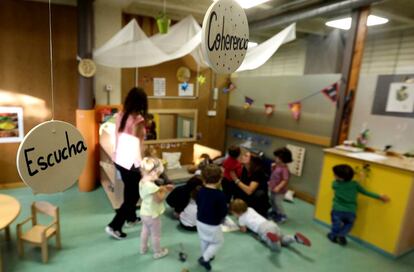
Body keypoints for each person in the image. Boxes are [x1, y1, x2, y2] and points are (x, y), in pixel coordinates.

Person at [106, 87, 148, 240]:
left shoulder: (120, 115)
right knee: (133, 196)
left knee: (129, 191)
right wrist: (143, 166)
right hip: (131, 163)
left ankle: (131, 218)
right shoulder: (138, 120)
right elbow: (136, 145)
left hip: (119, 160)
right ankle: (114, 226)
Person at [327, 164, 390, 246]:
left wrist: (353, 177)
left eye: (335, 174)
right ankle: (342, 235)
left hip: (337, 210)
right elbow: (365, 192)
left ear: (339, 177)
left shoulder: (335, 184)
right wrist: (379, 196)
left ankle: (333, 236)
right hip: (351, 211)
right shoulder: (355, 184)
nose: (334, 176)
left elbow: (342, 183)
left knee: (336, 224)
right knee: (349, 224)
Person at [230, 199, 311, 251]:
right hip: (271, 224)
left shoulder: (241, 219)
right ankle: (294, 238)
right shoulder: (250, 209)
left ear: (238, 212)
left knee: (276, 248)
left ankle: (274, 241)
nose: (234, 215)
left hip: (263, 229)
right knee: (282, 238)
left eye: (233, 213)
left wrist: (240, 226)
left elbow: (243, 230)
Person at [139, 157, 174, 259]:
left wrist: (162, 188)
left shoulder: (142, 181)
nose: (158, 176)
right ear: (153, 172)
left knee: (145, 230)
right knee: (156, 235)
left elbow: (151, 193)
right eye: (158, 174)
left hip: (144, 212)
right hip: (153, 215)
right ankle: (158, 252)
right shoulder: (152, 187)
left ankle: (143, 248)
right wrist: (166, 191)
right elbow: (159, 199)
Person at [196, 164, 227, 271]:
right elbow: (223, 211)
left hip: (200, 221)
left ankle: (206, 255)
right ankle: (205, 258)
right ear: (220, 179)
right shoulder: (220, 195)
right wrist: (223, 218)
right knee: (218, 242)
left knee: (204, 239)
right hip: (213, 224)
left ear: (203, 178)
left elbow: (198, 204)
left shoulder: (200, 191)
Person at [231, 151, 270, 217]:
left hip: (258, 204)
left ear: (252, 161)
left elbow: (249, 191)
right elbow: (242, 186)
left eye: (246, 156)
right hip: (249, 199)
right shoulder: (245, 169)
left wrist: (236, 180)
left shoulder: (258, 172)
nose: (242, 157)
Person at [268, 147, 293, 223]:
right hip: (273, 188)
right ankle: (275, 212)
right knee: (272, 200)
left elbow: (285, 180)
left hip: (280, 191)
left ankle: (282, 215)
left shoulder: (284, 169)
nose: (275, 158)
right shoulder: (277, 165)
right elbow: (274, 175)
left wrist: (278, 187)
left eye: (277, 157)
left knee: (277, 202)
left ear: (282, 159)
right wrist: (272, 168)